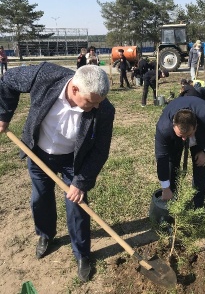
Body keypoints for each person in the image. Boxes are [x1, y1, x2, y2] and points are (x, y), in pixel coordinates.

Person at [0, 62, 115, 282]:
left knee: (77, 206)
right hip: (38, 153)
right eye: (91, 102)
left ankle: (82, 253)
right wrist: (3, 115)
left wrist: (81, 181)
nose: (96, 107)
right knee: (40, 197)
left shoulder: (104, 109)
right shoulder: (45, 75)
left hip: (74, 161)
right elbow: (7, 81)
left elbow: (100, 150)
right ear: (74, 89)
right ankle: (45, 235)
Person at [155, 96, 205, 208]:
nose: (184, 139)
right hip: (174, 138)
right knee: (171, 163)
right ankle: (172, 200)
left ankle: (198, 205)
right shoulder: (164, 128)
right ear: (173, 125)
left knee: (200, 166)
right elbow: (162, 158)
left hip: (200, 137)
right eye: (181, 135)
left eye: (188, 135)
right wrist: (165, 188)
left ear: (196, 126)